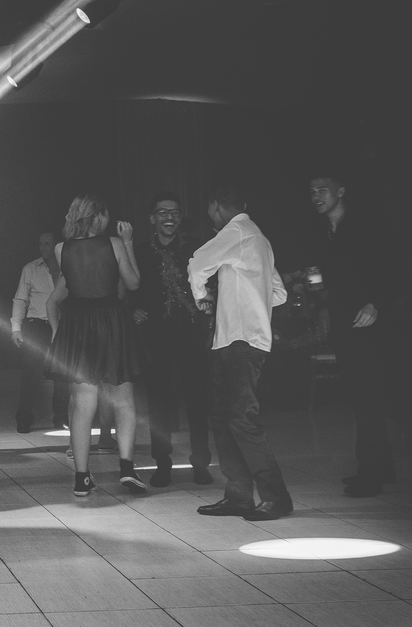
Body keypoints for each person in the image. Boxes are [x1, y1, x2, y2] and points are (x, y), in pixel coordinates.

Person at [189, 186, 292, 521]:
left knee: (241, 420)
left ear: (215, 206)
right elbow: (279, 293)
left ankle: (276, 497)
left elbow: (198, 263)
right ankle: (238, 496)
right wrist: (248, 297)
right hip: (243, 338)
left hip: (240, 340)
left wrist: (202, 296)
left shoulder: (236, 231)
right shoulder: (259, 238)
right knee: (225, 419)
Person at [46, 195, 148, 497]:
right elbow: (133, 283)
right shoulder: (114, 244)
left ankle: (82, 478)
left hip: (78, 325)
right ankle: (127, 468)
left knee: (82, 404)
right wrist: (128, 242)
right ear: (97, 216)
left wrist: (57, 332)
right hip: (111, 321)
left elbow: (66, 290)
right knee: (124, 400)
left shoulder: (61, 249)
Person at [306, 175, 394, 497]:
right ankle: (382, 467)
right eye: (312, 192)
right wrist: (317, 291)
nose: (316, 196)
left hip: (370, 322)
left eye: (322, 190)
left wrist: (375, 303)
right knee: (361, 397)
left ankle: (370, 474)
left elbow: (390, 267)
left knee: (367, 396)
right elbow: (325, 279)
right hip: (344, 322)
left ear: (340, 192)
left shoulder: (363, 227)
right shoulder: (323, 232)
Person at [130, 194, 213, 488]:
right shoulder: (141, 252)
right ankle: (162, 464)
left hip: (191, 333)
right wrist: (134, 308)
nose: (169, 217)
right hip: (156, 336)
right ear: (152, 218)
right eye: (163, 212)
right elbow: (130, 287)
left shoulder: (195, 250)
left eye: (174, 212)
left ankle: (201, 463)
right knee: (158, 403)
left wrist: (209, 303)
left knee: (197, 401)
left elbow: (210, 283)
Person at [11, 231, 68, 433]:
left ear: (56, 245)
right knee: (31, 373)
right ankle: (24, 418)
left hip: (62, 324)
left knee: (62, 373)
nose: (43, 248)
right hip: (37, 324)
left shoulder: (67, 267)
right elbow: (21, 299)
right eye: (41, 244)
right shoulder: (31, 269)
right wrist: (16, 328)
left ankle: (61, 417)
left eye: (47, 244)